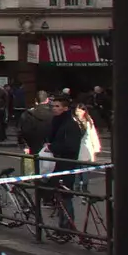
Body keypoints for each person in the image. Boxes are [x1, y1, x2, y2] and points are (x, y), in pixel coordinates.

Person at [45, 92, 85, 227]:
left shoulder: (70, 125)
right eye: (53, 106)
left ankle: (68, 225)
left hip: (67, 164)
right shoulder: (57, 122)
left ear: (65, 108)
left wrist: (52, 147)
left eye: (57, 106)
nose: (54, 108)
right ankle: (63, 224)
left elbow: (71, 147)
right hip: (59, 164)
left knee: (66, 195)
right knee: (60, 195)